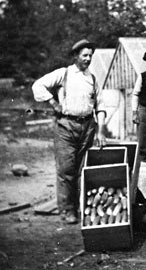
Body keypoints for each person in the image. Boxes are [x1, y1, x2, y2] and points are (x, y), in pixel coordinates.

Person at [32, 39, 107, 224]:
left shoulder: (93, 79)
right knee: (66, 169)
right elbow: (37, 86)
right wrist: (53, 102)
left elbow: (101, 106)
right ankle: (67, 211)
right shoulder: (63, 74)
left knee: (84, 170)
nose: (88, 59)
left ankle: (83, 209)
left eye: (90, 56)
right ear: (75, 56)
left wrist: (101, 131)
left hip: (88, 127)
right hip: (66, 126)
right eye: (84, 55)